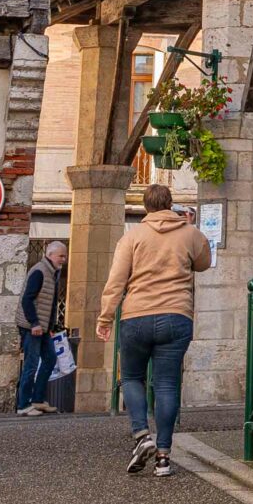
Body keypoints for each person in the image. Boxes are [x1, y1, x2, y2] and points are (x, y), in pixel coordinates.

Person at [97, 185, 212, 478]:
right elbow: (204, 263)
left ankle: (141, 435)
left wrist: (105, 317)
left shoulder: (132, 237)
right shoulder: (190, 234)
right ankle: (163, 457)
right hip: (176, 316)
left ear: (146, 207)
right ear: (170, 204)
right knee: (166, 385)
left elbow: (116, 281)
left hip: (137, 316)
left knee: (133, 377)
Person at [15, 238, 69, 415]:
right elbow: (27, 299)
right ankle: (23, 405)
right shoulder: (39, 271)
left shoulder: (52, 272)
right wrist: (35, 324)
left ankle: (37, 400)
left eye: (65, 256)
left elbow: (50, 303)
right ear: (50, 254)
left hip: (43, 326)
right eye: (61, 256)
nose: (64, 259)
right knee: (31, 364)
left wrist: (51, 325)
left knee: (50, 359)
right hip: (33, 326)